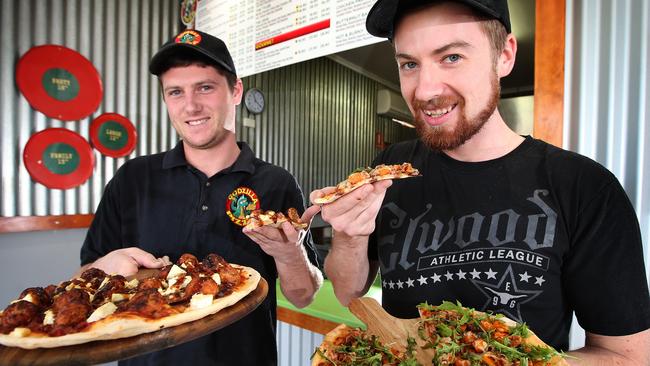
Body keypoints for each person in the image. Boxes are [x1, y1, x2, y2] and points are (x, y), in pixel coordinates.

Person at [312, 0, 650, 364]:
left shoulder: (584, 187)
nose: (425, 90)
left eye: (452, 57)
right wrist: (350, 236)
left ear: (504, 55)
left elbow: (628, 355)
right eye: (409, 63)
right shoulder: (390, 169)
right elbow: (349, 292)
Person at [79, 29, 323, 366]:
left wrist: (290, 253)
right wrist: (104, 268)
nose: (190, 105)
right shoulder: (132, 179)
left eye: (205, 87)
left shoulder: (276, 183)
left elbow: (304, 297)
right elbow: (87, 273)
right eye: (175, 92)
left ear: (235, 91)